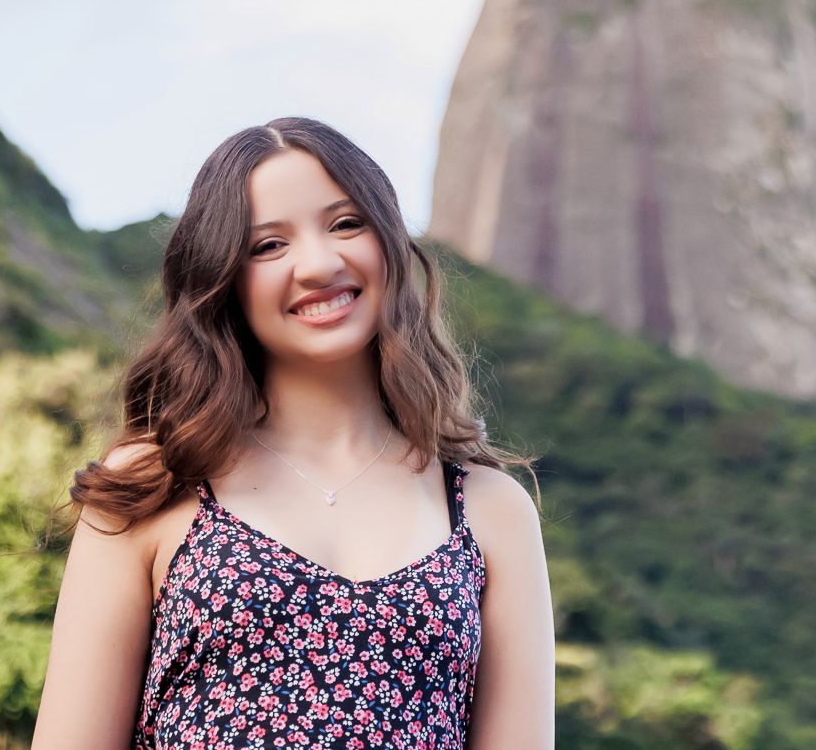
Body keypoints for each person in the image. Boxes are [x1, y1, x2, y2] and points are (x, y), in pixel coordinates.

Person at [31, 116, 555, 749]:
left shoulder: (490, 509)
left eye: (345, 224)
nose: (319, 263)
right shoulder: (154, 483)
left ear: (388, 243)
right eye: (268, 246)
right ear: (223, 279)